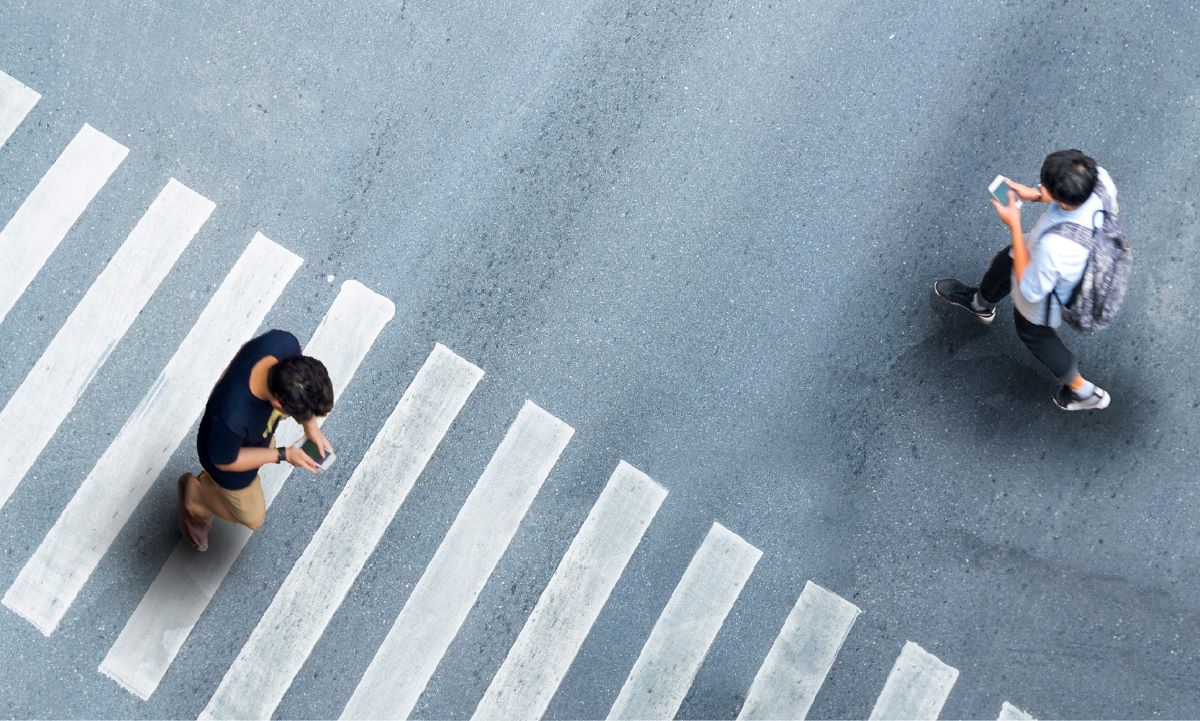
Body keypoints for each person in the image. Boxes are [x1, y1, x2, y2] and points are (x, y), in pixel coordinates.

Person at [934, 149, 1117, 411]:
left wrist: (1014, 224)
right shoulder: (1100, 180)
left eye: (1045, 185)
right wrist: (1036, 195)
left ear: (1062, 200)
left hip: (1051, 279)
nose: (1041, 185)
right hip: (1080, 258)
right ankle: (980, 304)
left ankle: (1083, 391)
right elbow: (1072, 201)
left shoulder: (1056, 248)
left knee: (1034, 332)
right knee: (1004, 263)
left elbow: (1030, 285)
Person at [178, 329, 334, 551]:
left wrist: (311, 427)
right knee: (254, 518)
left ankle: (207, 486)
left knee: (264, 444)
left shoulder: (283, 343)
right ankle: (197, 498)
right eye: (297, 414)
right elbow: (226, 461)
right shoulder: (231, 419)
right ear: (279, 404)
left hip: (244, 438)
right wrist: (283, 455)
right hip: (225, 459)